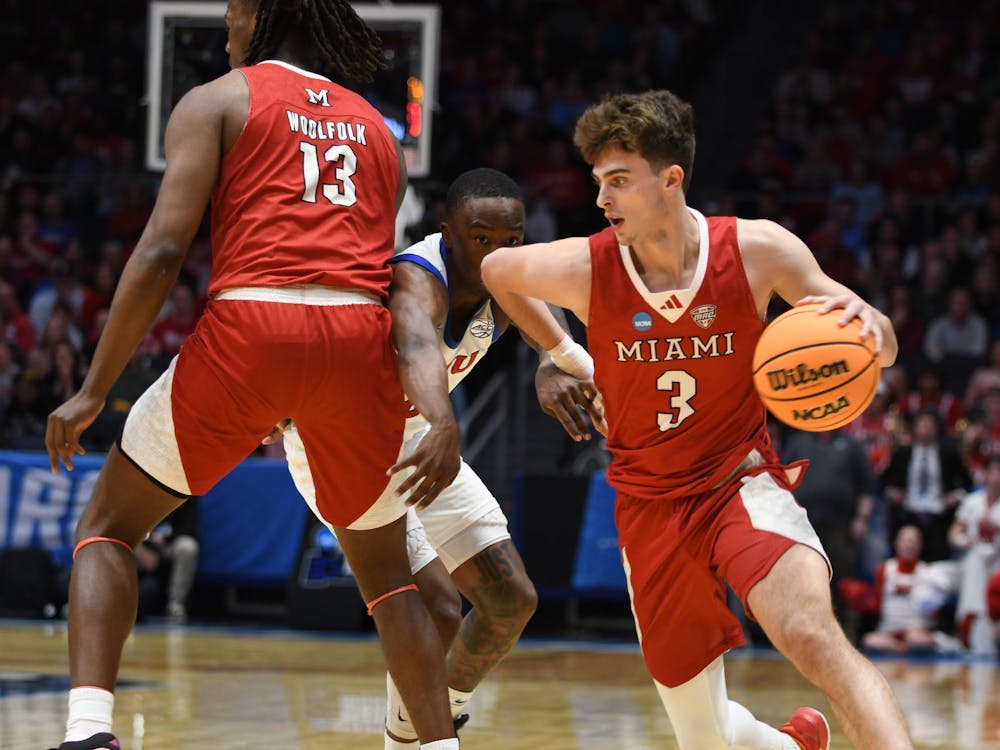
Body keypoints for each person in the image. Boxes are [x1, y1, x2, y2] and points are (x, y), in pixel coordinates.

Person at [43, 2, 459, 749]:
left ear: (264, 16)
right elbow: (384, 279)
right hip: (357, 340)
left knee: (107, 528)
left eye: (235, 10)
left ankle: (88, 734)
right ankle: (440, 745)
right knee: (389, 578)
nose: (227, 27)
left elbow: (163, 250)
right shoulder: (378, 131)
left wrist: (93, 387)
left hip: (253, 324)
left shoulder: (218, 99)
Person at [482, 90, 915, 749]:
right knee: (707, 739)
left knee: (809, 634)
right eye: (599, 182)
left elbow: (876, 336)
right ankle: (796, 743)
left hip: (740, 481)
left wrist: (874, 331)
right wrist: (567, 355)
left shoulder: (756, 250)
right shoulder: (587, 269)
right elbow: (495, 270)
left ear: (671, 180)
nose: (602, 200)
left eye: (620, 182)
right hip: (649, 505)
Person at [272, 168, 604, 749]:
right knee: (440, 608)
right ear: (446, 232)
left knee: (511, 601)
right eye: (481, 239)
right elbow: (419, 346)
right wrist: (447, 423)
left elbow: (554, 328)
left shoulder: (507, 280)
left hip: (418, 439)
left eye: (512, 242)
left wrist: (555, 364)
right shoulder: (417, 277)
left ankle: (434, 709)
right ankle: (416, 738)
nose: (498, 255)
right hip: (345, 444)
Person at [881, 408, 973, 562]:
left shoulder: (948, 453)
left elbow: (967, 481)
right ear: (914, 427)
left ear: (936, 429)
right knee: (905, 556)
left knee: (936, 562)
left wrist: (956, 496)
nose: (925, 428)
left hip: (938, 515)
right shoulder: (903, 453)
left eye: (929, 425)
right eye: (922, 424)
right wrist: (893, 493)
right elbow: (885, 481)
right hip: (909, 513)